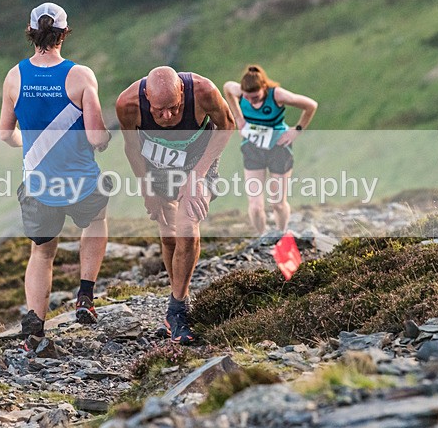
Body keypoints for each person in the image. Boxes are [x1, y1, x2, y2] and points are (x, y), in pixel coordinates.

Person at [0, 2, 112, 352]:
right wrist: (106, 139)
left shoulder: (14, 76)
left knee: (42, 252)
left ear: (31, 32)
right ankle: (85, 296)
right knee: (95, 221)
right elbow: (96, 138)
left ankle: (35, 328)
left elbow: (5, 133)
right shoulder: (81, 77)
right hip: (80, 178)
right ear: (64, 33)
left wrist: (28, 146)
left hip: (38, 183)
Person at [116, 66, 235, 344]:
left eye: (174, 107)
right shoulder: (128, 104)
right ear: (146, 96)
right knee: (169, 238)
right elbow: (131, 147)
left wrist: (198, 174)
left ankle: (177, 308)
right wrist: (146, 188)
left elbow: (227, 124)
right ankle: (178, 299)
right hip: (157, 167)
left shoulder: (204, 91)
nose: (167, 116)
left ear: (182, 90)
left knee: (186, 229)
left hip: (198, 164)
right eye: (159, 111)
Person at [223, 65, 318, 235]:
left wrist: (296, 130)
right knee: (255, 205)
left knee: (277, 203)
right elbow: (227, 88)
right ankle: (262, 238)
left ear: (264, 88)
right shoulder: (239, 91)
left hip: (279, 149)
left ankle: (281, 234)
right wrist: (238, 117)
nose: (251, 102)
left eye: (256, 97)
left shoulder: (277, 95)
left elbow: (311, 105)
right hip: (253, 148)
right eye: (247, 97)